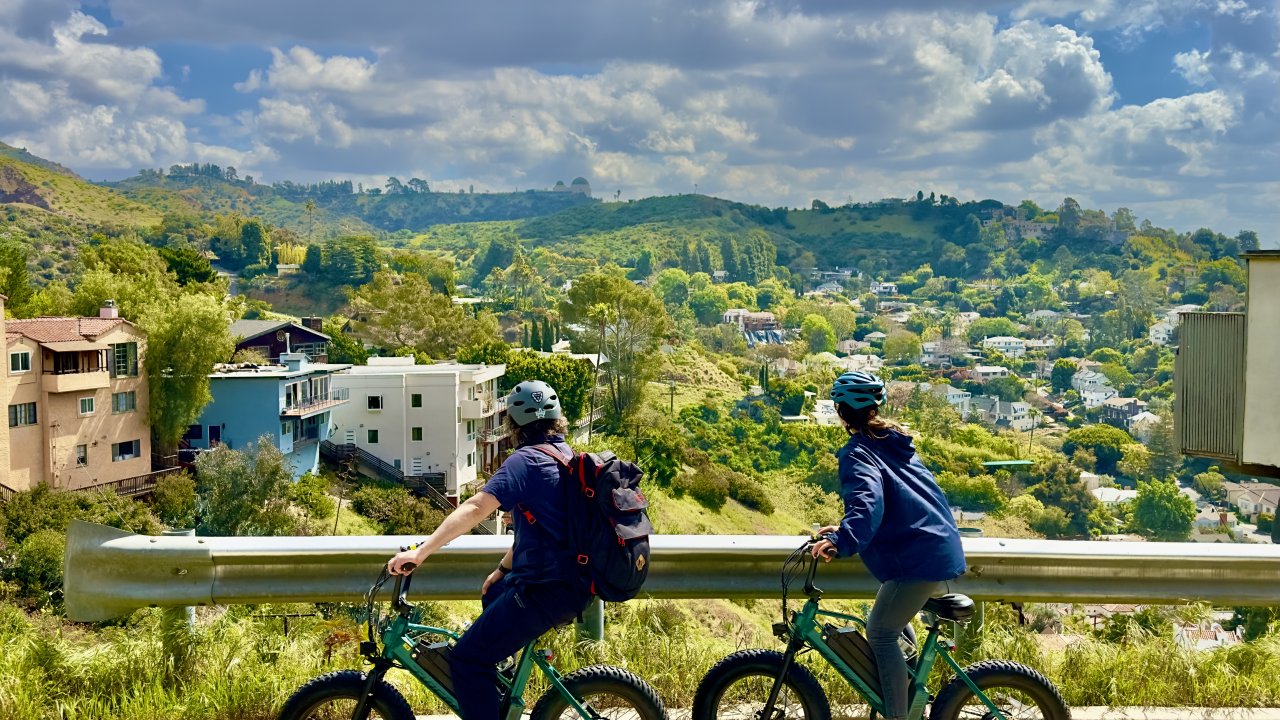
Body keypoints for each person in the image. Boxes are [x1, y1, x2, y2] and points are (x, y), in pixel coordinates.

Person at [387, 380, 591, 720]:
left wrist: (420, 552)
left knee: (467, 660)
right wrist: (503, 569)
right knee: (494, 591)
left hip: (546, 590)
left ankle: (484, 689)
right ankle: (497, 690)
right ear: (557, 420)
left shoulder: (526, 461)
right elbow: (540, 530)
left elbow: (475, 508)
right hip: (566, 582)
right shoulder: (565, 456)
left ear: (513, 424)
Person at [810, 370, 966, 720]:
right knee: (887, 621)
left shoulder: (859, 452)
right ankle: (909, 698)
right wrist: (844, 529)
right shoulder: (892, 441)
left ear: (841, 411)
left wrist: (842, 540)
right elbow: (893, 499)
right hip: (931, 547)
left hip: (920, 557)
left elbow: (868, 503)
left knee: (880, 632)